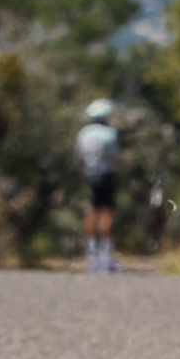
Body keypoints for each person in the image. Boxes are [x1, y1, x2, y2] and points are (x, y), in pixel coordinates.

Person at [77, 99, 124, 275]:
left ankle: (91, 253)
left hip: (91, 175)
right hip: (106, 176)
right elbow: (115, 159)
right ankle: (107, 257)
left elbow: (80, 158)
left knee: (93, 210)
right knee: (108, 212)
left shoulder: (83, 134)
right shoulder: (110, 134)